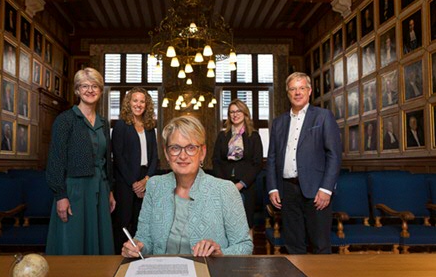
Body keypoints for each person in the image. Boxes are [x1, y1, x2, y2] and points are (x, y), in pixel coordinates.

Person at [122, 115, 253, 258]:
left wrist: (221, 254)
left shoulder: (226, 190)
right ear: (166, 153)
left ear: (202, 152)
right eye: (175, 148)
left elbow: (244, 245)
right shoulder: (155, 186)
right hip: (161, 274)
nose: (183, 156)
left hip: (207, 275)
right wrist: (137, 247)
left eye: (191, 147)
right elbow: (144, 238)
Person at [266, 72, 342, 254]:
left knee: (320, 244)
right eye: (293, 89)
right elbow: (272, 157)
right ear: (288, 93)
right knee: (293, 245)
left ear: (309, 92)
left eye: (301, 88)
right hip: (287, 191)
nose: (297, 92)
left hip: (316, 191)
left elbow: (334, 155)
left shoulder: (323, 117)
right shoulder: (278, 122)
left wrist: (326, 189)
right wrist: (273, 188)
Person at [45, 67, 115, 255]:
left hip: (100, 188)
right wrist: (61, 195)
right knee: (73, 240)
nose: (90, 90)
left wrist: (109, 191)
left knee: (99, 239)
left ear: (100, 91)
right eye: (85, 86)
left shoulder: (103, 122)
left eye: (94, 86)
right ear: (77, 90)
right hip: (74, 190)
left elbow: (106, 160)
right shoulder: (65, 120)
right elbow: (55, 161)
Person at [111, 87, 158, 253]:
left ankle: (139, 254)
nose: (139, 104)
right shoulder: (121, 126)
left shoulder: (150, 127)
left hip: (145, 178)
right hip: (126, 181)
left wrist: (146, 180)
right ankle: (120, 256)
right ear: (128, 103)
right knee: (123, 221)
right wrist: (134, 183)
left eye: (142, 101)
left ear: (147, 105)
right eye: (135, 100)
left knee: (142, 221)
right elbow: (118, 158)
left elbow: (154, 158)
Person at [212, 99, 263, 232]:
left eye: (238, 111)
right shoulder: (222, 136)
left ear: (245, 113)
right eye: (231, 112)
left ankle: (246, 252)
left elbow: (257, 163)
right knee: (226, 225)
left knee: (246, 225)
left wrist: (241, 184)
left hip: (246, 187)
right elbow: (216, 161)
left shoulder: (254, 136)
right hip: (224, 186)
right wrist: (225, 184)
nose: (235, 114)